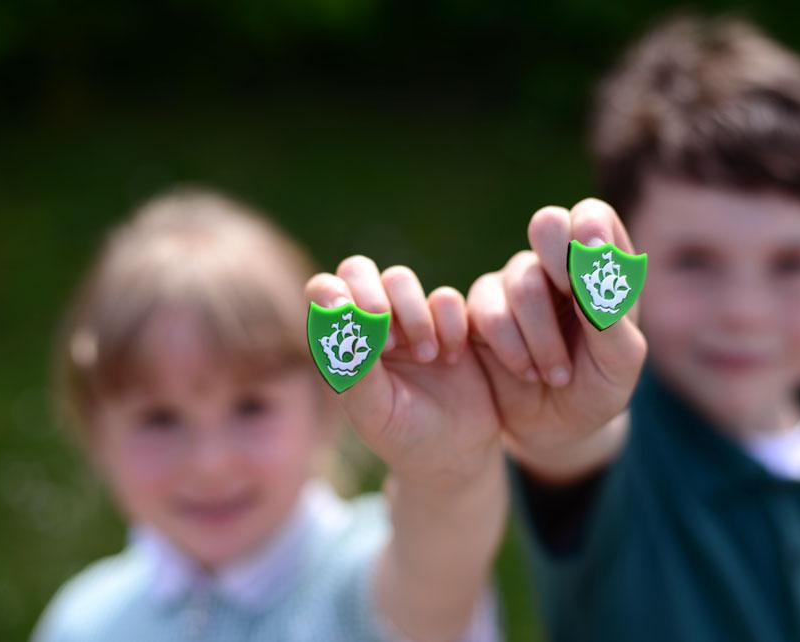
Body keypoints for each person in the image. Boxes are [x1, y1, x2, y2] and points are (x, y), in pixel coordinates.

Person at [467, 14, 800, 641]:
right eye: (694, 261)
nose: (744, 311)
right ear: (622, 256)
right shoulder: (613, 454)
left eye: (791, 264)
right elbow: (565, 440)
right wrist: (555, 375)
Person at [34, 188, 505, 642]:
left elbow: (440, 566)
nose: (210, 463)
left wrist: (445, 470)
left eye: (251, 407)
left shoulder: (366, 575)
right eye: (159, 418)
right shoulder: (84, 621)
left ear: (326, 404)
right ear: (95, 429)